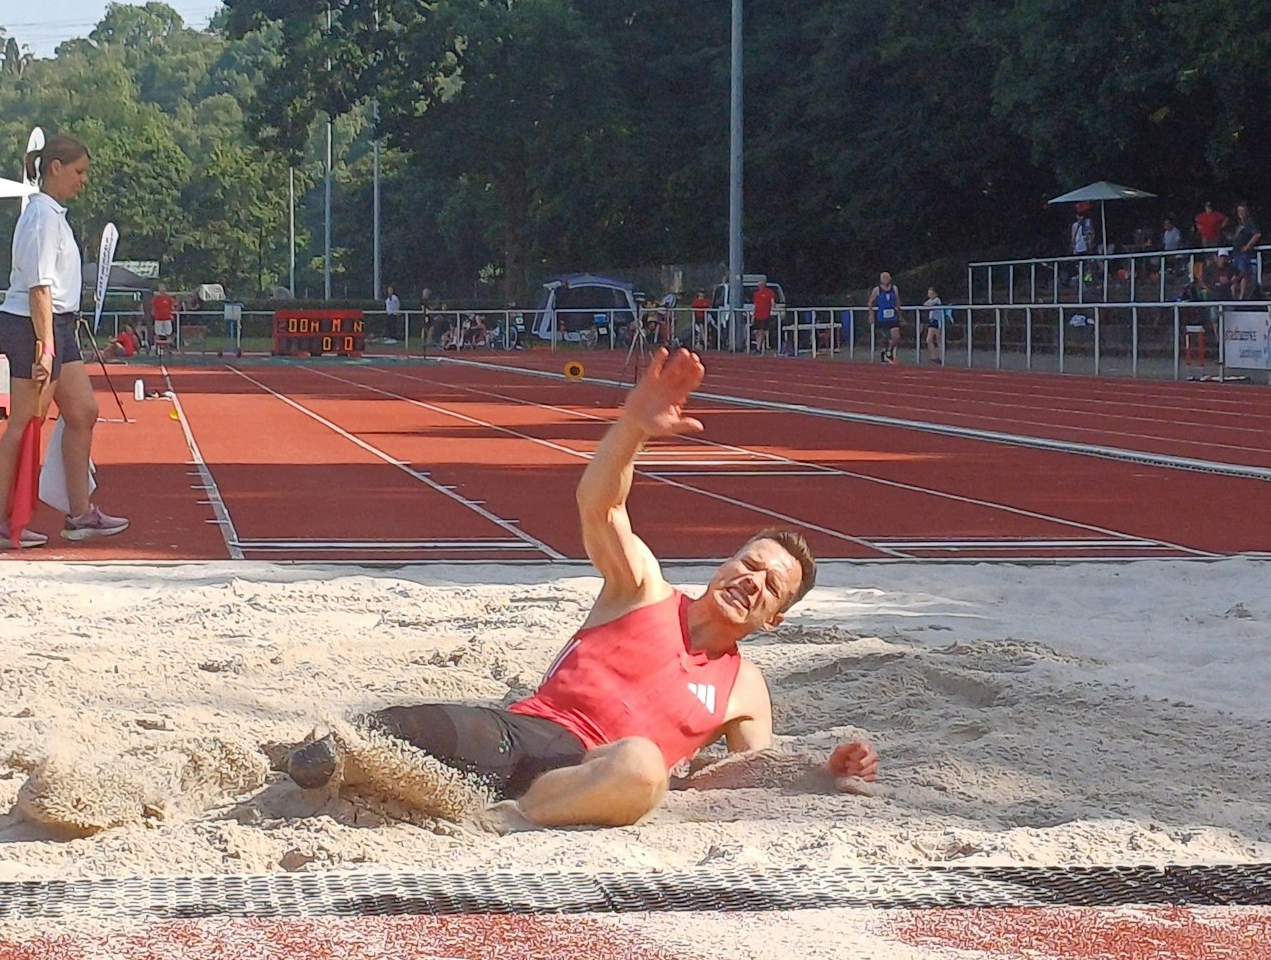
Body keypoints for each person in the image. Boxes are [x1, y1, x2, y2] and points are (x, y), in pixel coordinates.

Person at [282, 347, 878, 829]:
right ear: (725, 563)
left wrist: (823, 772)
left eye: (770, 586)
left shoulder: (744, 687)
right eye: (749, 564)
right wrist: (632, 430)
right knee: (351, 746)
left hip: (593, 779)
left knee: (644, 764)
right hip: (523, 735)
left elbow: (743, 771)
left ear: (774, 618)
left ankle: (503, 821)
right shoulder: (642, 588)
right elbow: (601, 506)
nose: (751, 582)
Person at [0, 133, 129, 550]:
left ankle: (80, 513)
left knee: (83, 411)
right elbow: (38, 288)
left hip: (58, 324)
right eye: (79, 172)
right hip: (32, 325)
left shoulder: (54, 216)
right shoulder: (42, 218)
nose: (84, 180)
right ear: (56, 168)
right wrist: (45, 347)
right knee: (24, 422)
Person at [868, 271, 903, 364]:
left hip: (893, 316)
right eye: (883, 278)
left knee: (896, 336)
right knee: (886, 337)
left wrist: (900, 314)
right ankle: (885, 354)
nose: (885, 280)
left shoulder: (894, 288)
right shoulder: (877, 290)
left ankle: (889, 352)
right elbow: (870, 302)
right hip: (882, 317)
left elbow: (897, 301)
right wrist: (871, 314)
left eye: (887, 278)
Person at [1230, 203, 1262, 278]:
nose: (1240, 213)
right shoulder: (1239, 224)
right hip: (1236, 252)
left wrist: (1248, 245)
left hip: (1244, 254)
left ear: (1246, 211)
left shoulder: (1250, 222)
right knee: (1235, 273)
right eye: (1239, 211)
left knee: (1243, 274)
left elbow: (1257, 234)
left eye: (1242, 211)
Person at [149, 284, 176, 357]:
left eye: (163, 288)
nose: (162, 289)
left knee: (168, 334)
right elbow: (153, 308)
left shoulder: (168, 298)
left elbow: (172, 307)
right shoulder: (155, 299)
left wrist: (170, 313)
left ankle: (168, 350)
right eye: (160, 288)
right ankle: (157, 349)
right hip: (158, 319)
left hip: (167, 319)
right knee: (157, 334)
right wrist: (154, 314)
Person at [750, 282, 776, 354]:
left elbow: (772, 303)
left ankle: (758, 348)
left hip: (765, 315)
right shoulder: (756, 294)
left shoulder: (770, 292)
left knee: (761, 331)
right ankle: (758, 346)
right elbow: (755, 306)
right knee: (757, 331)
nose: (760, 286)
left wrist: (773, 309)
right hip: (757, 315)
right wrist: (753, 316)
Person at [921, 287, 945, 365]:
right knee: (929, 340)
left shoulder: (937, 300)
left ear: (935, 293)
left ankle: (940, 357)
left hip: (937, 321)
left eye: (931, 293)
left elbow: (931, 304)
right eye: (929, 293)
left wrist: (929, 305)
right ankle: (934, 357)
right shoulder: (930, 300)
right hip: (932, 321)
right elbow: (925, 304)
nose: (930, 295)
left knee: (938, 340)